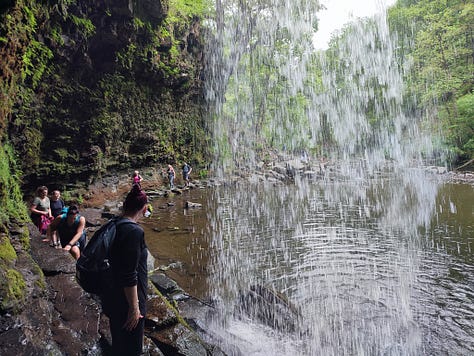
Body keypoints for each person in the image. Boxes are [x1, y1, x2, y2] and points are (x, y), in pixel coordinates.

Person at [101, 184, 149, 356]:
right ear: (144, 209)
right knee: (132, 349)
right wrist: (134, 308)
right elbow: (129, 274)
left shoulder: (114, 224)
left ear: (124, 206)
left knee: (119, 344)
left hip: (113, 295)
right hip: (126, 302)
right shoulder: (133, 231)